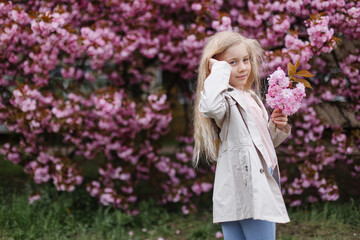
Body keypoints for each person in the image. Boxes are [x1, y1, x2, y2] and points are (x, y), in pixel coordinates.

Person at [193, 31, 291, 240]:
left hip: (252, 184)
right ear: (216, 67)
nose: (243, 67)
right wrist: (218, 71)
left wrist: (275, 127)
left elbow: (260, 145)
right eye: (232, 62)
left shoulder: (252, 98)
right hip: (244, 188)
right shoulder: (225, 99)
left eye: (245, 60)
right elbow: (210, 106)